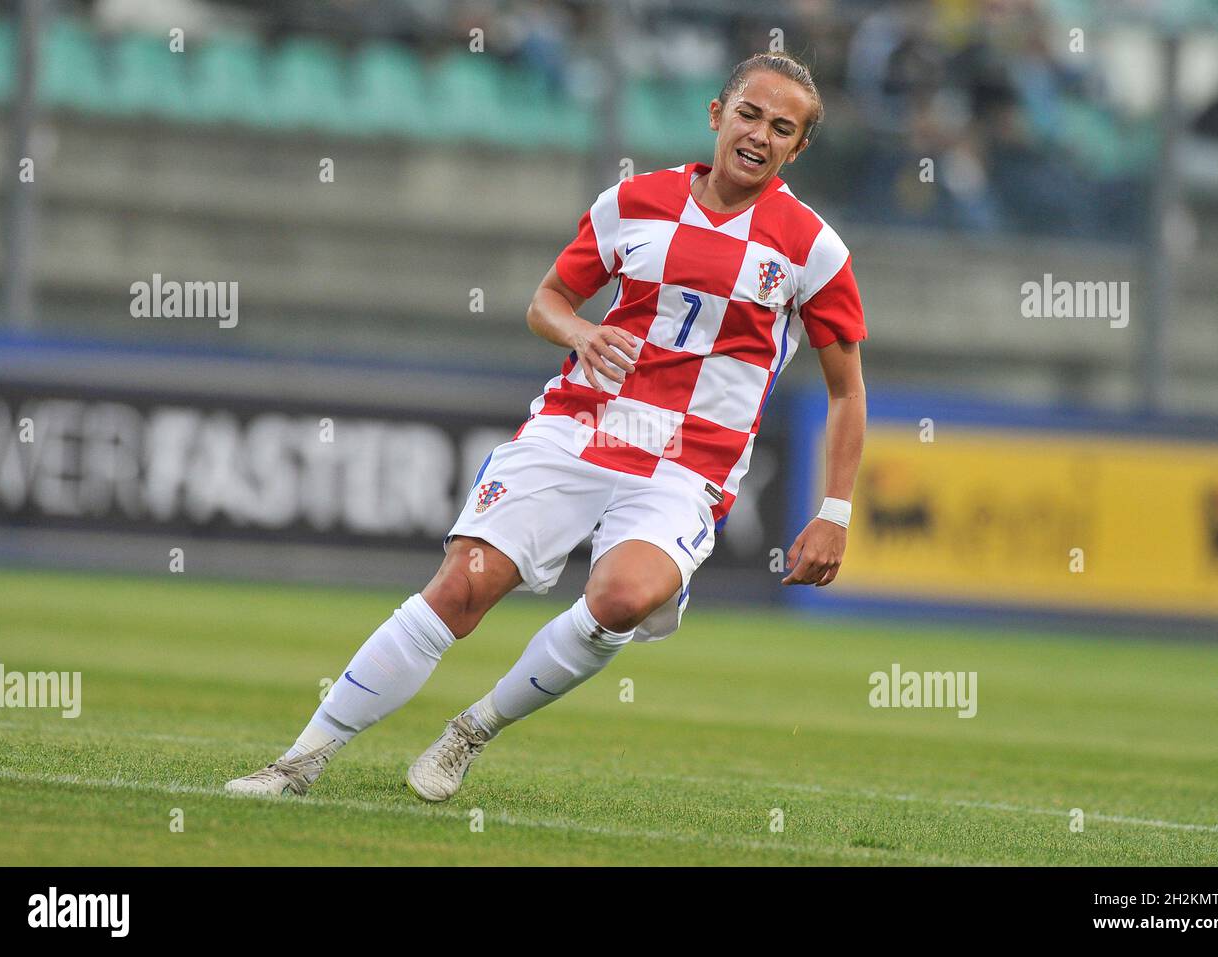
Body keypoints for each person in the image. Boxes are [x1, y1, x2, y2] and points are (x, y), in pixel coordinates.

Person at [226, 51, 868, 802]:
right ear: (716, 114)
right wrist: (580, 336)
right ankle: (296, 763)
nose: (760, 133)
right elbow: (548, 300)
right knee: (461, 590)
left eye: (782, 127)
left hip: (687, 467)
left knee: (622, 598)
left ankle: (471, 730)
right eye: (750, 113)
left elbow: (846, 391)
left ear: (798, 148)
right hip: (579, 428)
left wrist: (834, 511)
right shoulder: (633, 200)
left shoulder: (814, 249)